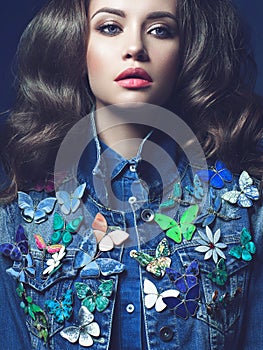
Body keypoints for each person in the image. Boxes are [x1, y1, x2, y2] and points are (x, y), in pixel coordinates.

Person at [0, 0, 262, 349]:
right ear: (77, 46)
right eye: (110, 27)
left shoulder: (242, 212)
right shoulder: (21, 219)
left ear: (187, 52)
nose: (136, 47)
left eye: (159, 30)